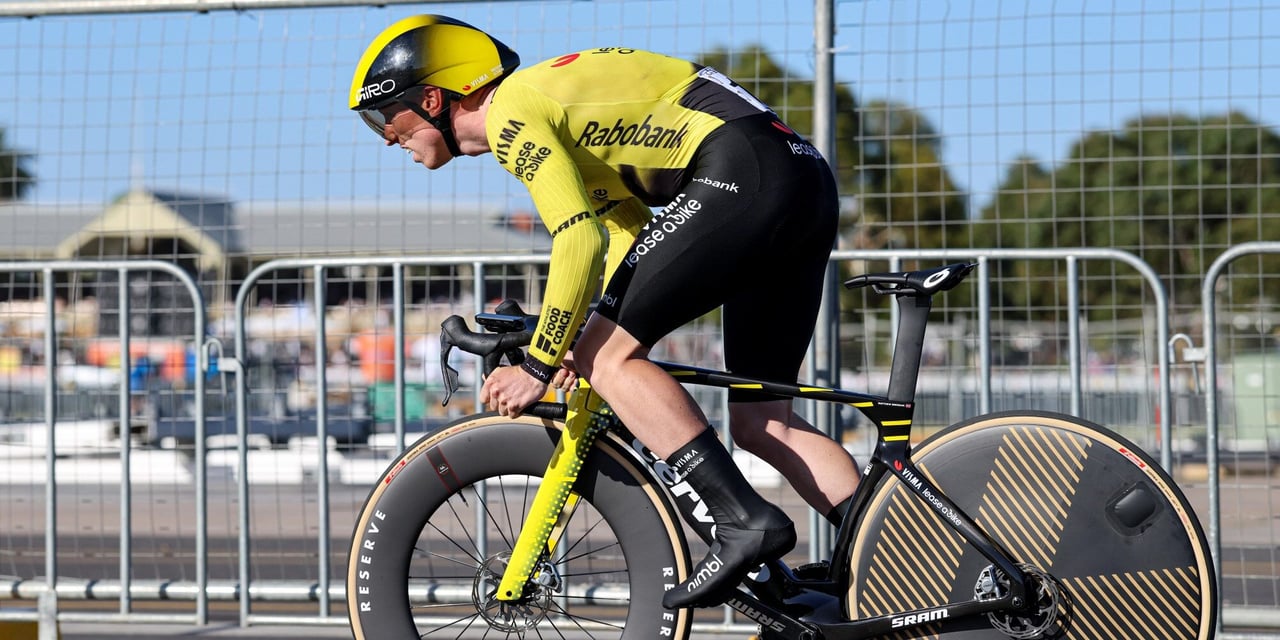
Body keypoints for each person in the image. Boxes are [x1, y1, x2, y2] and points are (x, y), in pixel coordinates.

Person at [349, 14, 860, 609]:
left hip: (743, 172)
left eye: (386, 118)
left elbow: (577, 241)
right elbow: (624, 234)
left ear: (433, 98)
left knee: (608, 355)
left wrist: (541, 362)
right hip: (798, 179)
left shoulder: (516, 110)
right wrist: (573, 332)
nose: (388, 137)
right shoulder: (556, 109)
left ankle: (744, 522)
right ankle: (892, 557)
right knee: (762, 421)